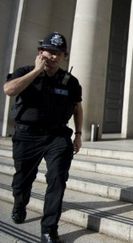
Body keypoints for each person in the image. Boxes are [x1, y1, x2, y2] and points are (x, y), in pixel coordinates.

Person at [4, 32, 83, 243]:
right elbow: (9, 90)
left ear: (64, 56)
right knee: (22, 181)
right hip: (27, 135)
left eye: (59, 53)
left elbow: (77, 108)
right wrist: (37, 71)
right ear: (41, 52)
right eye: (50, 51)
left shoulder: (70, 81)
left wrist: (78, 134)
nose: (54, 57)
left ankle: (49, 229)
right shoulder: (25, 72)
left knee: (57, 179)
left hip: (57, 137)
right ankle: (20, 203)